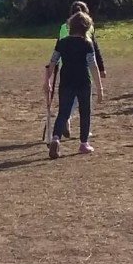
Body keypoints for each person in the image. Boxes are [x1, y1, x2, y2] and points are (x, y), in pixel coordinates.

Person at [45, 11, 104, 158]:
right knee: (85, 112)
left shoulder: (62, 42)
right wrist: (100, 87)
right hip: (83, 81)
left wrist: (47, 81)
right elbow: (93, 65)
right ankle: (83, 143)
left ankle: (55, 138)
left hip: (66, 81)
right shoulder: (87, 44)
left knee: (63, 112)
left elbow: (52, 62)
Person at [55, 1, 105, 138]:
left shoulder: (63, 28)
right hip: (84, 71)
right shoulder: (88, 30)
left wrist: (52, 68)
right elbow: (94, 49)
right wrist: (101, 69)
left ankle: (62, 124)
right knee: (82, 105)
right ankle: (79, 131)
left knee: (68, 102)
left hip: (66, 68)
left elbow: (57, 48)